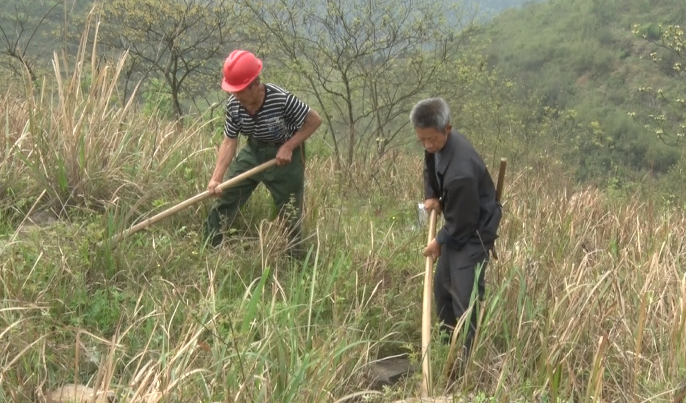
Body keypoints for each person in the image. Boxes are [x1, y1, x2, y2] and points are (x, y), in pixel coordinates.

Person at [410, 98, 502, 368]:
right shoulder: (435, 141)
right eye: (421, 140)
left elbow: (464, 221)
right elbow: (430, 164)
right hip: (456, 223)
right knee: (442, 288)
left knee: (465, 297)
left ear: (447, 129)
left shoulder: (460, 172)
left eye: (431, 140)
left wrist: (439, 240)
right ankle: (443, 350)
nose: (427, 145)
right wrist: (432, 196)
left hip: (474, 232)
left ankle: (466, 364)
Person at [202, 49, 322, 256]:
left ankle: (295, 262)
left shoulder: (282, 99)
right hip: (254, 151)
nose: (234, 95)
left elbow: (314, 120)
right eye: (232, 91)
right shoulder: (234, 106)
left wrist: (289, 146)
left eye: (239, 91)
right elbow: (230, 141)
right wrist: (216, 179)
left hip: (286, 158)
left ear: (255, 85)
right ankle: (209, 249)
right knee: (227, 197)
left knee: (290, 211)